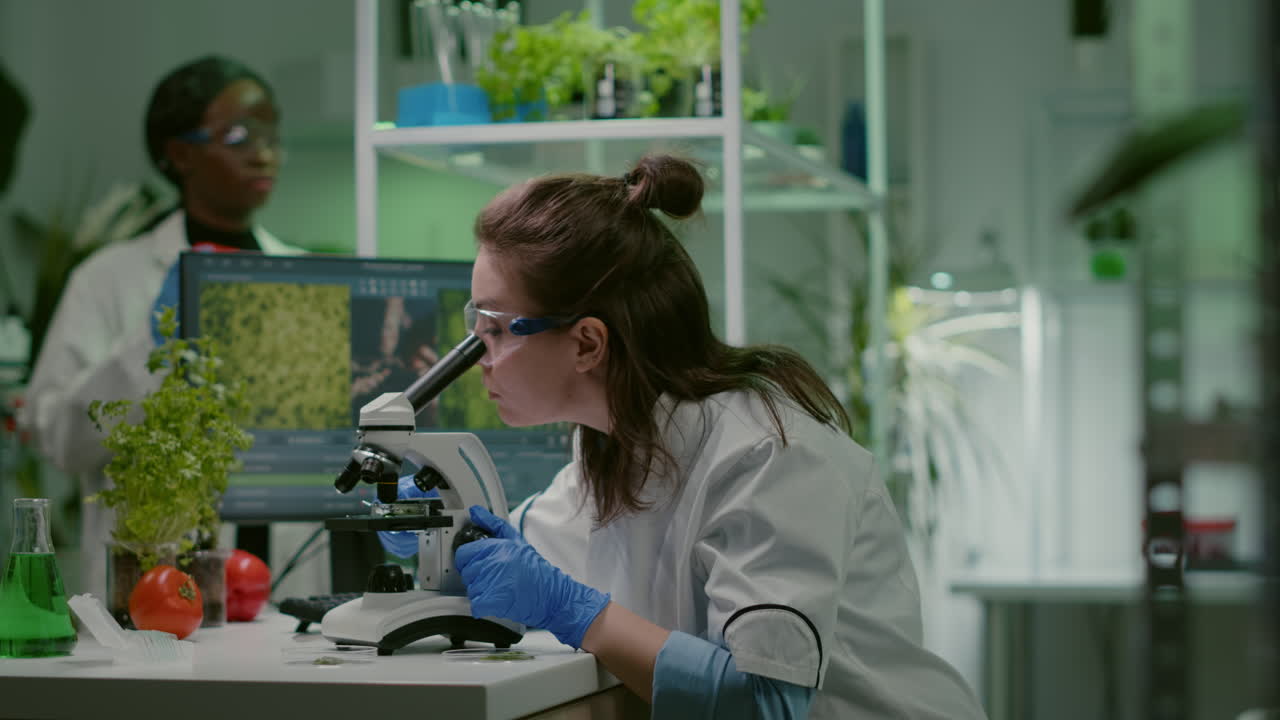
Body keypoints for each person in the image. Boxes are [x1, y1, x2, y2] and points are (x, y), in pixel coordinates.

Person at [388, 154, 987, 718]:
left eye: (493, 328)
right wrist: (436, 532)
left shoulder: (768, 454)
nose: (479, 356)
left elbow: (764, 702)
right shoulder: (612, 446)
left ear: (588, 343)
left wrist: (572, 609)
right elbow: (516, 551)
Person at [19, 55, 303, 600]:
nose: (265, 151)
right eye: (240, 134)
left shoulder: (300, 275)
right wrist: (149, 350)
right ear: (179, 153)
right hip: (148, 574)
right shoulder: (106, 279)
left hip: (278, 568)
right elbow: (56, 437)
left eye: (272, 132)